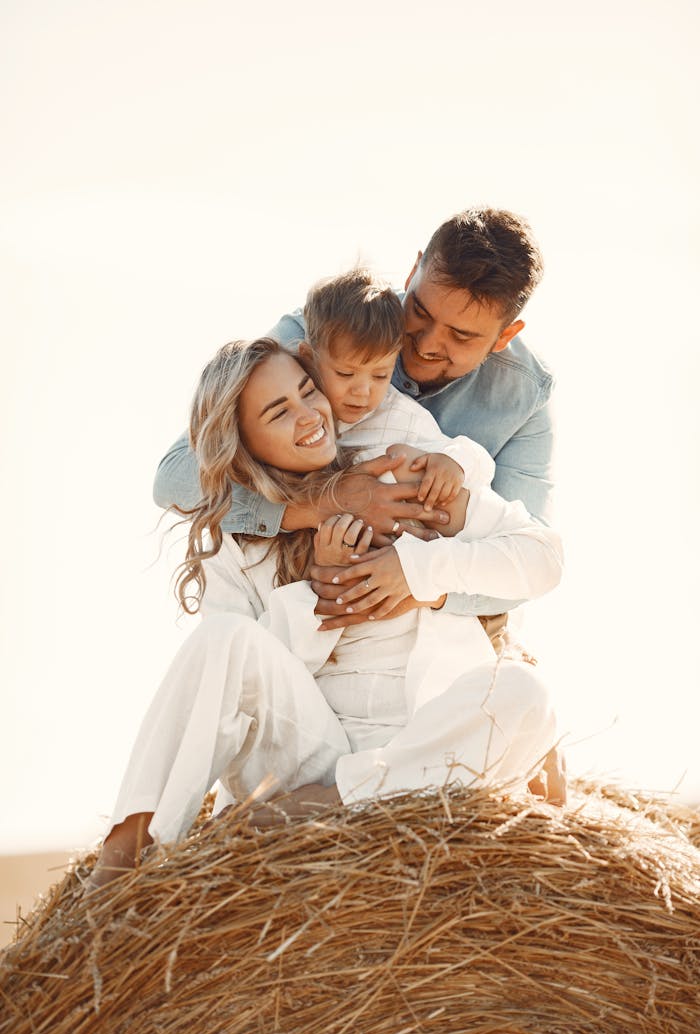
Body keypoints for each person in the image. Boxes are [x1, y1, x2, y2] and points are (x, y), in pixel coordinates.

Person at [89, 340, 563, 888]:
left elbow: (544, 558)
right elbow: (236, 690)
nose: (308, 415)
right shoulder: (237, 538)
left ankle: (337, 802)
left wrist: (421, 572)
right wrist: (320, 589)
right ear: (244, 442)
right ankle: (125, 858)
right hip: (301, 755)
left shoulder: (398, 478)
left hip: (420, 747)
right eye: (278, 412)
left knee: (528, 695)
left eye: (308, 391)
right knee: (222, 638)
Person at [153, 207, 554, 626]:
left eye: (461, 336)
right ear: (414, 270)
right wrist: (323, 503)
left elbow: (522, 565)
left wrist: (420, 583)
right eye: (420, 311)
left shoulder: (526, 399)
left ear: (505, 336)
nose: (426, 343)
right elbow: (176, 477)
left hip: (432, 629)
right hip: (294, 603)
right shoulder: (323, 327)